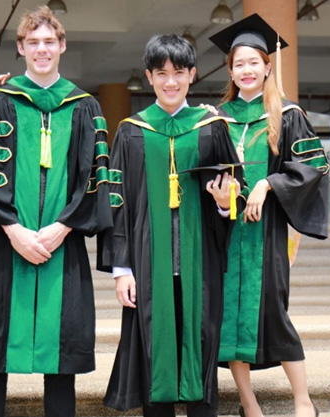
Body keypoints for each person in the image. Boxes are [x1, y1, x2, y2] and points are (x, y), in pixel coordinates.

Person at [0, 6, 112, 417]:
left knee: (61, 359)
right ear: (20, 47)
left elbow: (96, 178)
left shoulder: (85, 106)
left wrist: (63, 226)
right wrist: (12, 229)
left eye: (49, 42)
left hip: (62, 244)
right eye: (33, 42)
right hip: (3, 244)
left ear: (63, 46)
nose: (42, 49)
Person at [101, 34, 243, 417]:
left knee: (201, 343)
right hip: (147, 265)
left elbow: (236, 188)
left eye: (178, 72)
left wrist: (225, 202)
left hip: (200, 262)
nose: (170, 81)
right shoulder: (131, 131)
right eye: (161, 73)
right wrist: (121, 270)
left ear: (192, 74)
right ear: (148, 77)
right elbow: (116, 201)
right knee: (154, 351)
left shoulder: (211, 127)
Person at [207, 13, 329, 417]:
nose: (246, 70)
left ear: (267, 67)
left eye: (253, 63)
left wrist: (267, 184)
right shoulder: (217, 119)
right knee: (228, 318)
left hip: (268, 232)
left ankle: (302, 400)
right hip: (227, 233)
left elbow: (314, 167)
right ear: (230, 71)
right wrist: (224, 195)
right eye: (238, 64)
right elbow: (207, 171)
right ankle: (250, 405)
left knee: (275, 314)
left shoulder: (287, 114)